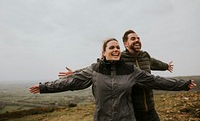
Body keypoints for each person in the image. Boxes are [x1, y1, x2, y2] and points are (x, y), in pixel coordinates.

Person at [30, 38, 196, 121]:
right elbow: (69, 82)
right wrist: (45, 87)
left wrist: (183, 84)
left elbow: (156, 81)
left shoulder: (131, 70)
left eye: (117, 47)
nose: (116, 49)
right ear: (103, 53)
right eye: (111, 47)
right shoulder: (94, 70)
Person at [59, 30, 174, 121]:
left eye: (138, 38)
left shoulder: (145, 56)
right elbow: (99, 66)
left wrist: (166, 66)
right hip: (133, 111)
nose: (137, 40)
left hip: (150, 108)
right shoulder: (120, 58)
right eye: (133, 39)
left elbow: (155, 63)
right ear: (126, 43)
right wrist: (75, 73)